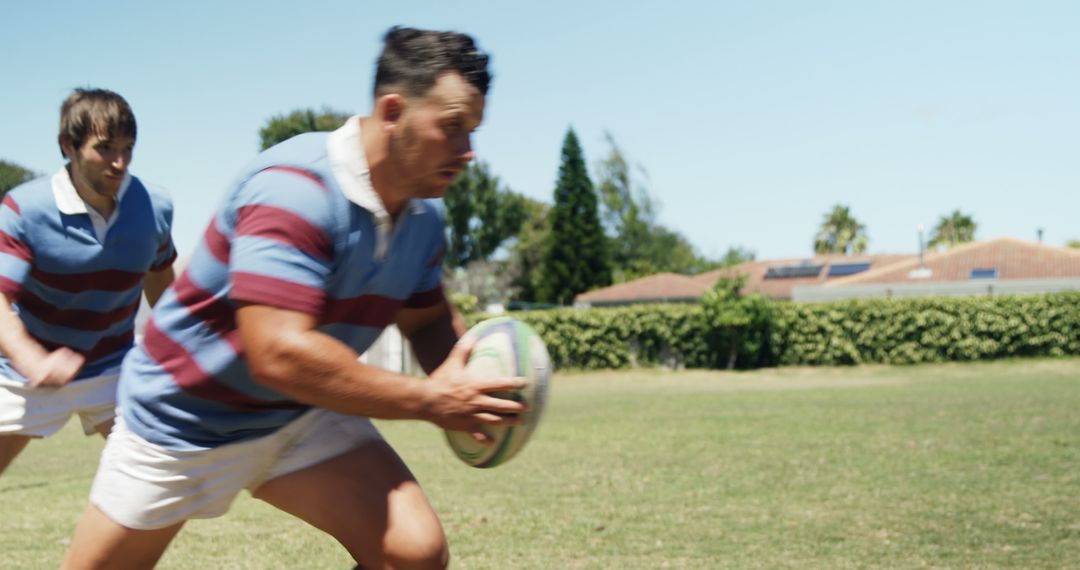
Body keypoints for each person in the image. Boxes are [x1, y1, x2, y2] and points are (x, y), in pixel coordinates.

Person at [61, 27, 524, 570]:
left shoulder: (425, 214)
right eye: (452, 128)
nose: (468, 152)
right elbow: (278, 354)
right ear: (393, 111)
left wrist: (469, 382)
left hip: (297, 417)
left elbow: (424, 321)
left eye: (472, 130)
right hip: (181, 420)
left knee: (414, 554)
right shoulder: (294, 188)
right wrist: (430, 401)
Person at [0, 88, 176, 477]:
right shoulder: (24, 209)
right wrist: (32, 358)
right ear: (68, 146)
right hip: (24, 373)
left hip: (113, 369)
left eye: (128, 149)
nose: (119, 163)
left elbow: (161, 279)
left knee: (154, 476)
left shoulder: (155, 206)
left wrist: (178, 348)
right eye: (105, 148)